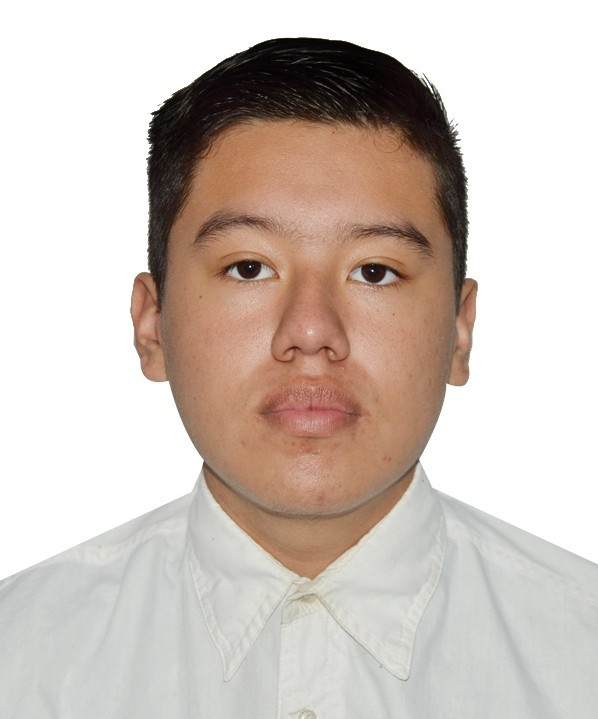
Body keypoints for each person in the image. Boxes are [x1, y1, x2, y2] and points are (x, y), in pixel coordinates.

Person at [0, 37, 596, 717]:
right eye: (249, 268)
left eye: (374, 271)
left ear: (459, 329)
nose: (311, 330)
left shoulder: (581, 658)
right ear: (152, 323)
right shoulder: (20, 662)